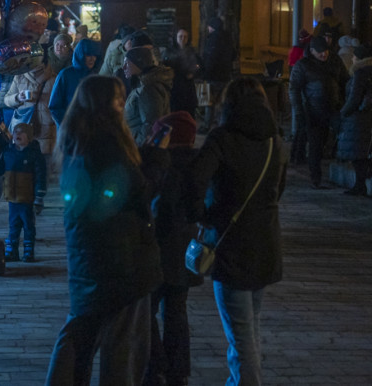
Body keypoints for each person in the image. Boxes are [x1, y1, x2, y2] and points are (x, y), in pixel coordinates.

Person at [44, 76, 162, 386]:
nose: (122, 105)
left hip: (88, 257)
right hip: (122, 258)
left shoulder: (75, 140)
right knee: (123, 346)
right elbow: (131, 194)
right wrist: (156, 161)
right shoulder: (108, 144)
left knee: (81, 330)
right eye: (117, 99)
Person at [185, 78, 287, 386]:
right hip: (266, 244)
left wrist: (203, 216)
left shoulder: (222, 139)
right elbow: (278, 189)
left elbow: (194, 182)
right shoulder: (274, 140)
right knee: (250, 328)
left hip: (231, 247)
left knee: (241, 337)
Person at [143, 112, 203, 386]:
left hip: (159, 247)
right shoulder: (198, 164)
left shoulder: (163, 167)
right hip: (185, 247)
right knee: (177, 310)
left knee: (147, 310)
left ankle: (154, 366)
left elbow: (157, 206)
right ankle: (178, 371)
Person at [289, 35, 347, 188]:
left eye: (326, 51)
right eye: (320, 52)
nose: (324, 54)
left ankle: (342, 165)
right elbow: (294, 89)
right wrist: (299, 112)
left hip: (334, 108)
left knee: (343, 136)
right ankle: (316, 178)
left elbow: (345, 81)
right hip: (313, 110)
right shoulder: (303, 65)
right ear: (312, 51)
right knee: (315, 145)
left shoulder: (334, 61)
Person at [2, 122, 47, 263]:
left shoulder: (34, 155)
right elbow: (0, 167)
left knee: (28, 225)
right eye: (15, 132)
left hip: (27, 197)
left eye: (21, 132)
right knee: (13, 224)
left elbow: (41, 175)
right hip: (13, 197)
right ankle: (12, 250)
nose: (17, 135)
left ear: (29, 136)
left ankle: (28, 251)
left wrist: (39, 195)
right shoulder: (9, 153)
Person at [337, 43, 372, 195]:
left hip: (359, 119)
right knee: (366, 152)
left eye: (354, 56)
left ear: (359, 58)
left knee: (358, 153)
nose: (352, 58)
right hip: (367, 117)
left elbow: (354, 98)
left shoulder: (360, 73)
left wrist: (343, 112)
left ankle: (359, 185)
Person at [2, 60, 57, 156]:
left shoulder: (54, 78)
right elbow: (6, 100)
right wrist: (18, 97)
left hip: (45, 131)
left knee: (44, 164)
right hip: (24, 129)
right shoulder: (19, 76)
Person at [123, 46, 174, 145]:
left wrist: (140, 148)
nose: (124, 67)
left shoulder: (149, 89)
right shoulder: (143, 84)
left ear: (139, 64)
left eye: (127, 63)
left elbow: (150, 124)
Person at [48, 38, 101, 127]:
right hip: (70, 131)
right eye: (88, 55)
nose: (92, 59)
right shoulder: (66, 75)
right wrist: (67, 125)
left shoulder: (95, 76)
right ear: (81, 55)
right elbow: (54, 106)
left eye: (94, 55)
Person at [200, 16, 235, 130]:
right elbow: (233, 55)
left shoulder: (212, 40)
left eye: (209, 26)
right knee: (221, 103)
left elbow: (210, 59)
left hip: (213, 76)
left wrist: (204, 72)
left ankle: (207, 125)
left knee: (209, 103)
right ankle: (221, 126)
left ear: (212, 27)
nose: (208, 28)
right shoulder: (228, 38)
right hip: (225, 76)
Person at [164, 28, 200, 116]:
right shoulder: (169, 51)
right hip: (175, 87)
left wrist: (193, 73)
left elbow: (198, 66)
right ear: (176, 38)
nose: (183, 39)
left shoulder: (191, 51)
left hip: (188, 87)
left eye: (185, 37)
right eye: (180, 36)